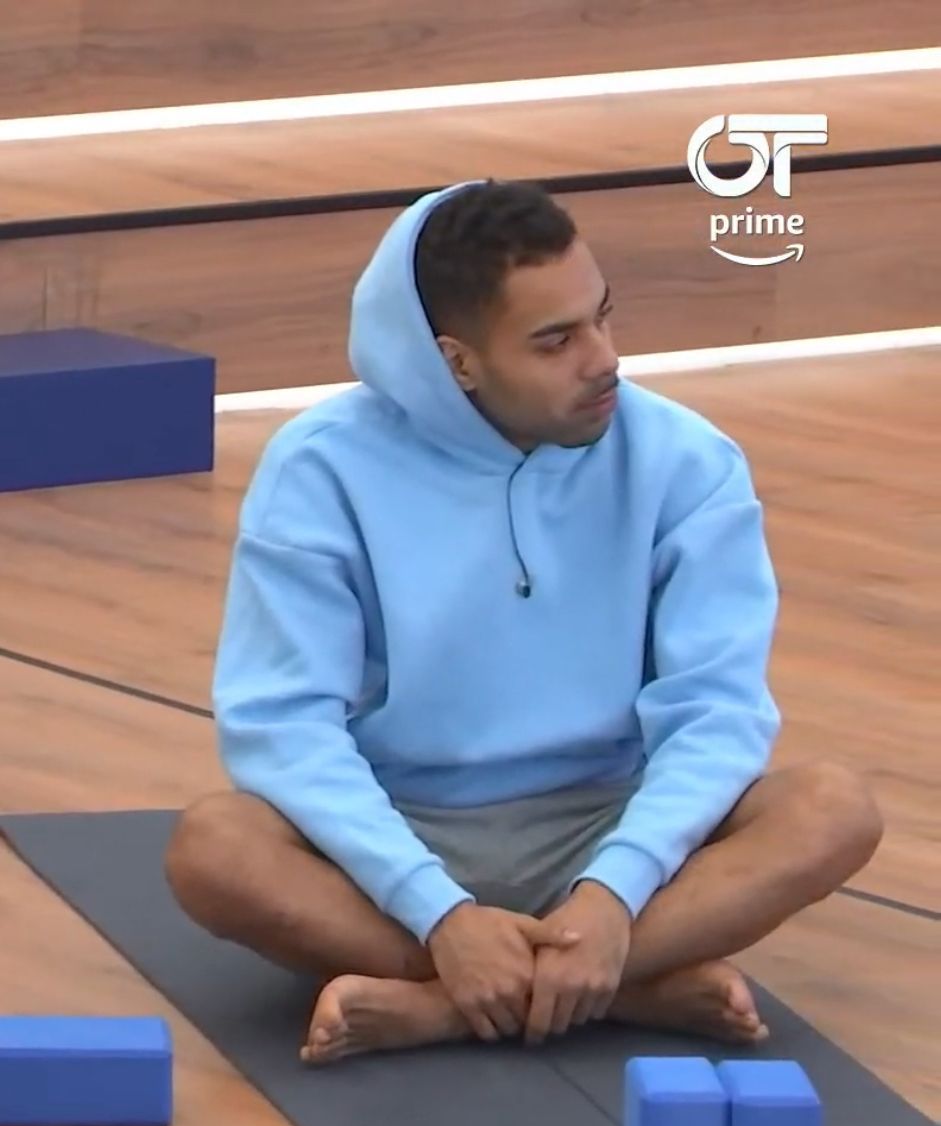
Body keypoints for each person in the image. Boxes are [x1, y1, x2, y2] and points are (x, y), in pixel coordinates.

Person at [165, 179, 883, 1066]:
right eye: (556, 341)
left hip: (608, 820)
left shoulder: (686, 461)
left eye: (601, 318)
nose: (602, 359)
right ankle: (602, 986)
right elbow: (283, 727)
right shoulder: (317, 469)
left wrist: (615, 890)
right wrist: (436, 908)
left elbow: (718, 712)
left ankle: (444, 1005)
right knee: (213, 849)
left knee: (831, 809)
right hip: (401, 825)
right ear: (457, 362)